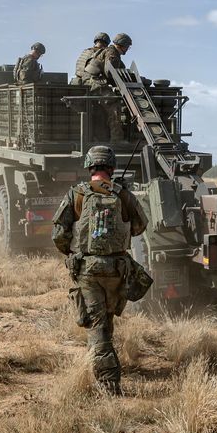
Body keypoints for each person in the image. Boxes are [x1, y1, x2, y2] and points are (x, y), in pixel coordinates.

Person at [51, 145, 148, 395]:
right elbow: (140, 226)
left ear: (89, 167)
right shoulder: (123, 195)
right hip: (117, 269)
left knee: (96, 324)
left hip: (88, 270)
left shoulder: (77, 194)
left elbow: (59, 233)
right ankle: (103, 364)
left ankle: (108, 384)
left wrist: (72, 254)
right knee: (105, 321)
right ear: (112, 168)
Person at [85, 33, 132, 142]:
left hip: (92, 79)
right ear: (122, 45)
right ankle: (117, 139)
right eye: (127, 47)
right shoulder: (112, 53)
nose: (127, 49)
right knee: (113, 104)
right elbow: (110, 72)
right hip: (94, 80)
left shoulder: (111, 51)